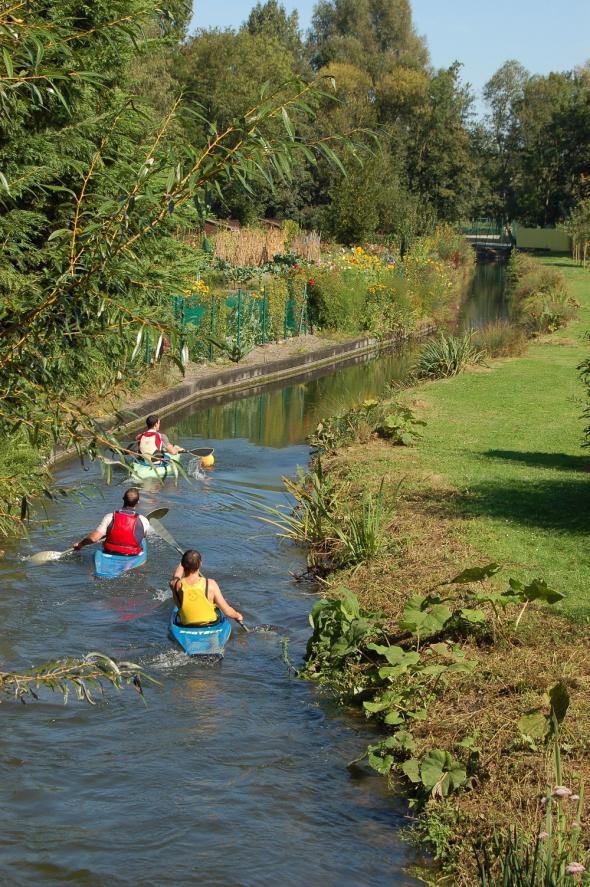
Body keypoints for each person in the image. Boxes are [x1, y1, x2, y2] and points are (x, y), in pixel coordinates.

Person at [169, 550, 243, 626]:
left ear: (183, 564)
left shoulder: (175, 584)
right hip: (211, 624)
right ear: (200, 564)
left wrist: (183, 562)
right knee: (215, 603)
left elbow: (177, 575)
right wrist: (237, 616)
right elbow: (227, 611)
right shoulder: (210, 584)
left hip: (186, 625)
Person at [73, 488, 149, 556]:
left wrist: (80, 544)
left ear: (123, 499)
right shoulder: (143, 520)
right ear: (138, 502)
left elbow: (94, 539)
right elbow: (143, 537)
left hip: (110, 552)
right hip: (132, 554)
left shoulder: (109, 517)